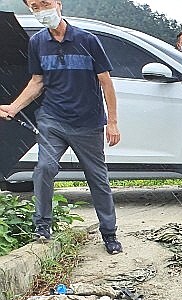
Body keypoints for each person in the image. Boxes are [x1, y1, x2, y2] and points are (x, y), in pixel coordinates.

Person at [0, 0, 121, 254]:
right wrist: (13, 107)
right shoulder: (37, 43)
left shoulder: (87, 41)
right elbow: (37, 82)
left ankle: (109, 233)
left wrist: (112, 122)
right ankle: (42, 225)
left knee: (98, 179)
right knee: (44, 168)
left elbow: (106, 83)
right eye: (34, 6)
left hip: (88, 124)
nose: (40, 10)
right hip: (52, 119)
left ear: (58, 4)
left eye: (44, 3)